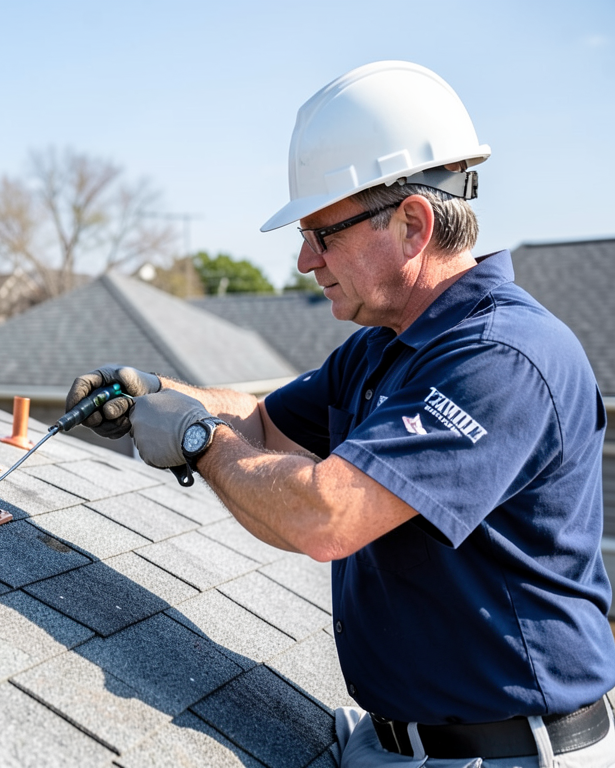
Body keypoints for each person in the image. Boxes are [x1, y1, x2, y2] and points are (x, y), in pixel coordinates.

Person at [66, 61, 615, 766]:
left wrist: (197, 439)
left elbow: (327, 518)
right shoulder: (385, 350)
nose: (302, 261)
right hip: (397, 742)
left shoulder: (504, 359)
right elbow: (265, 423)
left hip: (506, 754)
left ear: (413, 225)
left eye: (323, 233)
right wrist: (157, 392)